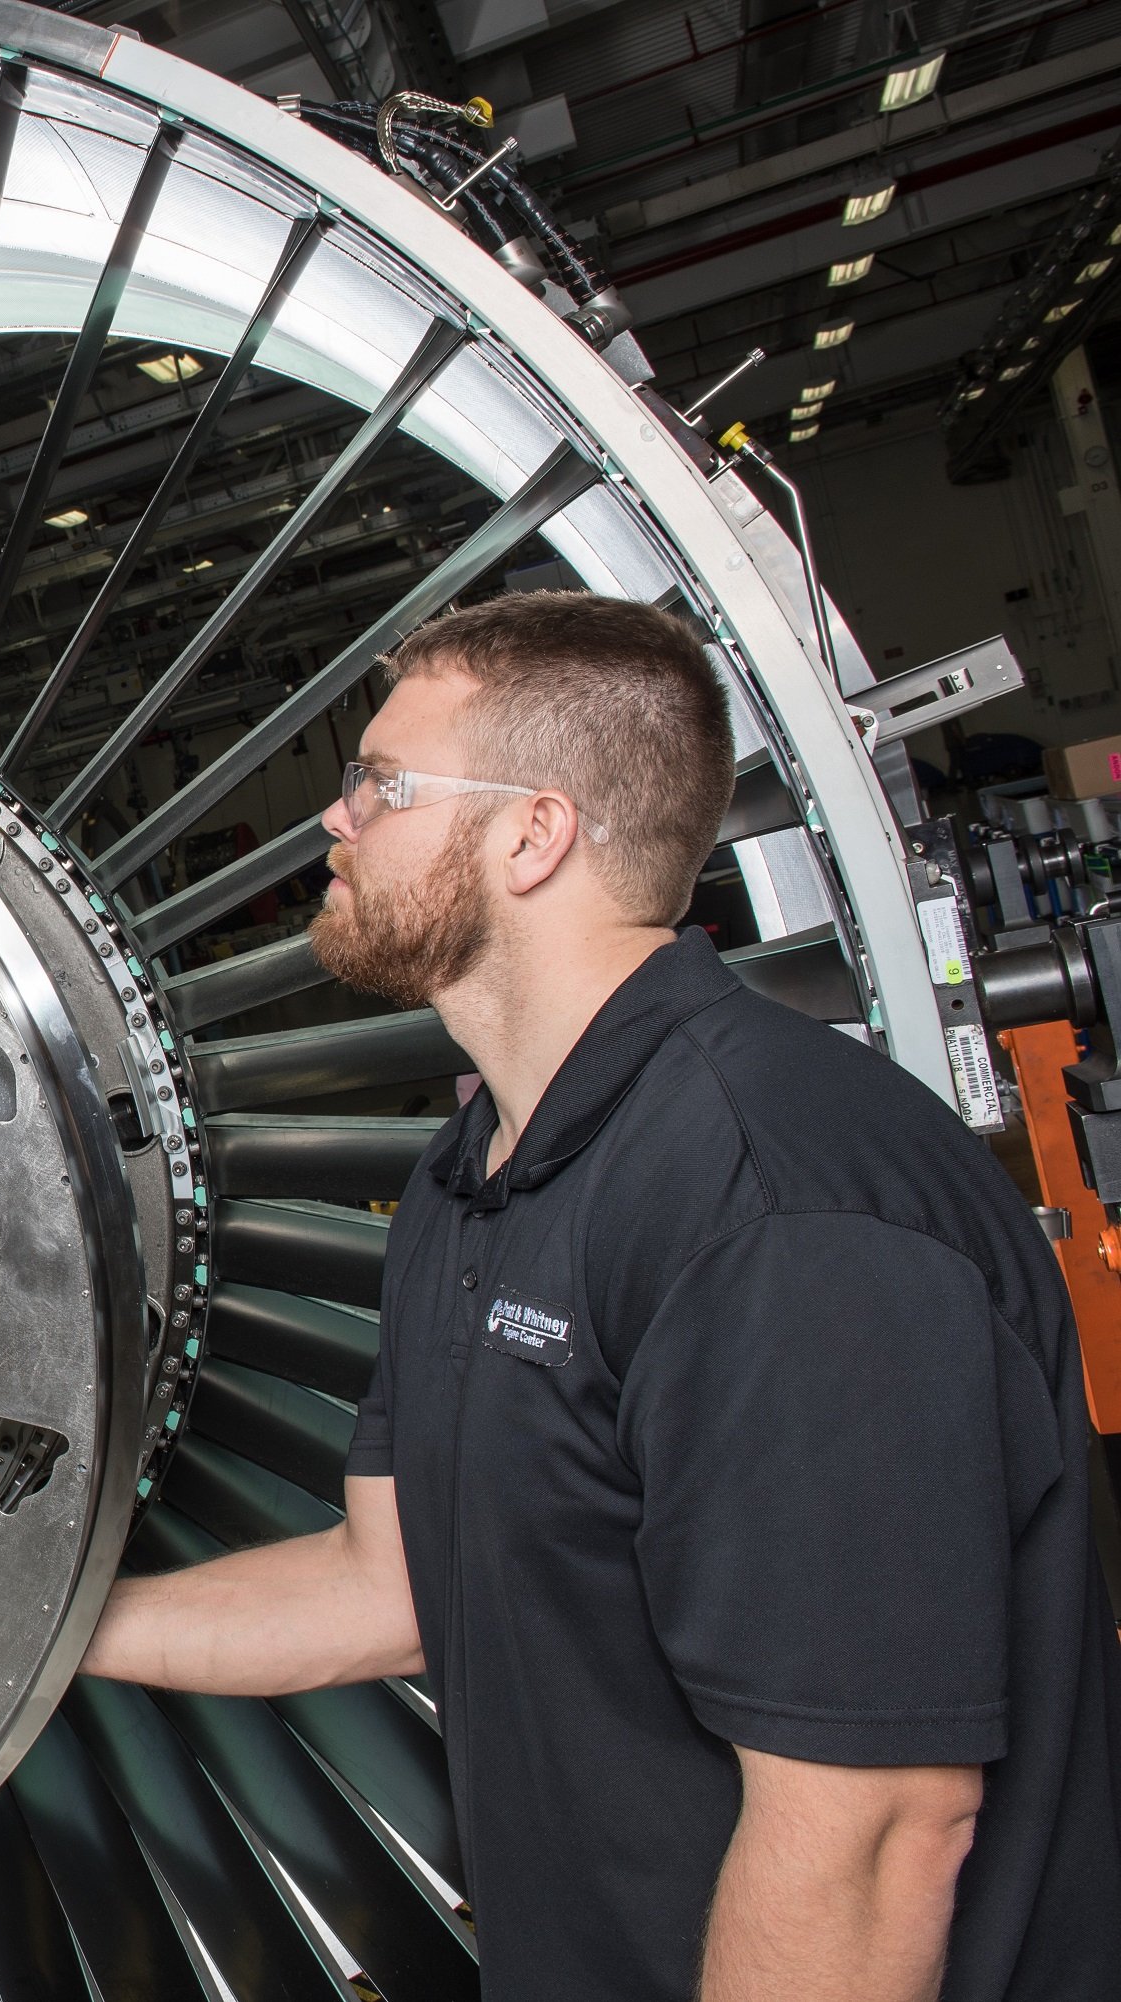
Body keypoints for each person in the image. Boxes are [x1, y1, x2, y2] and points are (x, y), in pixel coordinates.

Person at [83, 591, 1121, 2000]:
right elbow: (387, 1583)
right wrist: (26, 1645)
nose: (335, 821)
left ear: (534, 830)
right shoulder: (482, 1174)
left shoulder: (775, 1209)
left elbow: (872, 1824)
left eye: (379, 783)